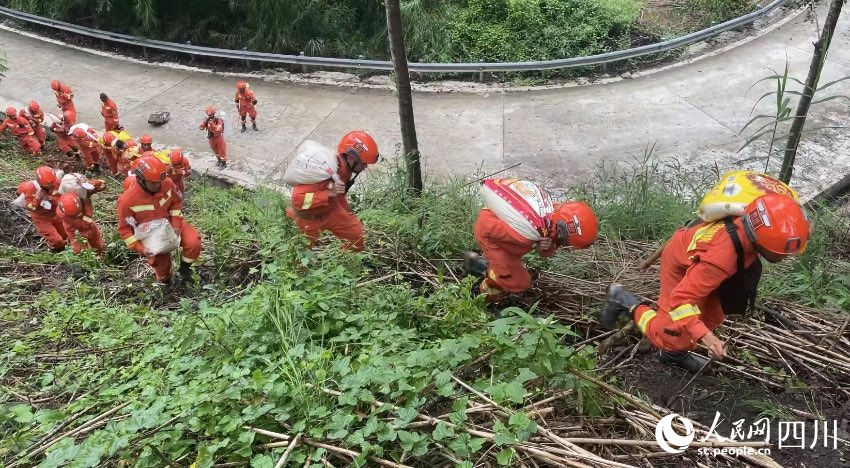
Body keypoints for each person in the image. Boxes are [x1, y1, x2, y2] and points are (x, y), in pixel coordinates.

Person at [599, 193, 810, 372]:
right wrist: (708, 339)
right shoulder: (722, 258)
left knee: (712, 313)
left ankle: (681, 343)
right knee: (669, 335)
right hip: (680, 264)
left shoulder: (750, 218)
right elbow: (680, 300)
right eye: (784, 252)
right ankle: (627, 302)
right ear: (764, 242)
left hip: (701, 261)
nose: (786, 257)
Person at [465, 201, 598, 302]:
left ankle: (488, 264)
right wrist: (532, 239)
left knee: (511, 268)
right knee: (517, 281)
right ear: (564, 230)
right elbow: (487, 227)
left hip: (506, 241)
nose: (565, 246)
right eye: (567, 243)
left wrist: (542, 246)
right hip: (492, 235)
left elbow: (549, 247)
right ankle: (483, 295)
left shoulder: (553, 217)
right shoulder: (536, 225)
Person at [286, 131, 380, 252]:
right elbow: (298, 200)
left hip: (330, 211)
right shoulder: (323, 171)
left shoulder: (345, 171)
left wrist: (348, 214)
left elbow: (339, 196)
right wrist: (328, 194)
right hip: (307, 218)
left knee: (356, 236)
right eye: (364, 163)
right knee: (300, 254)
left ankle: (348, 264)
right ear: (352, 158)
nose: (365, 167)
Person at [116, 156, 201, 284]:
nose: (158, 185)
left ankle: (185, 269)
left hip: (171, 222)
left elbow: (176, 203)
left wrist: (176, 224)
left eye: (159, 181)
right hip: (151, 234)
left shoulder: (167, 183)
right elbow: (124, 230)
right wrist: (140, 248)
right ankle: (165, 281)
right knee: (161, 266)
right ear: (140, 179)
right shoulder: (127, 201)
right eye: (153, 182)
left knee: (194, 243)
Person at [16, 166, 67, 252]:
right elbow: (30, 207)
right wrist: (37, 199)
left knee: (65, 237)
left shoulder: (57, 183)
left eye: (52, 185)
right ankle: (52, 251)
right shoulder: (31, 188)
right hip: (42, 219)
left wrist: (52, 199)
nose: (51, 187)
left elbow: (64, 196)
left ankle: (64, 252)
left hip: (56, 215)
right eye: (48, 186)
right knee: (56, 240)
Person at [57, 179, 106, 256]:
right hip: (77, 232)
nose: (78, 214)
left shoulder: (80, 195)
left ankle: (101, 256)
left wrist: (98, 184)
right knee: (83, 252)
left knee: (99, 246)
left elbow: (88, 190)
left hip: (90, 226)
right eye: (75, 215)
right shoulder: (63, 215)